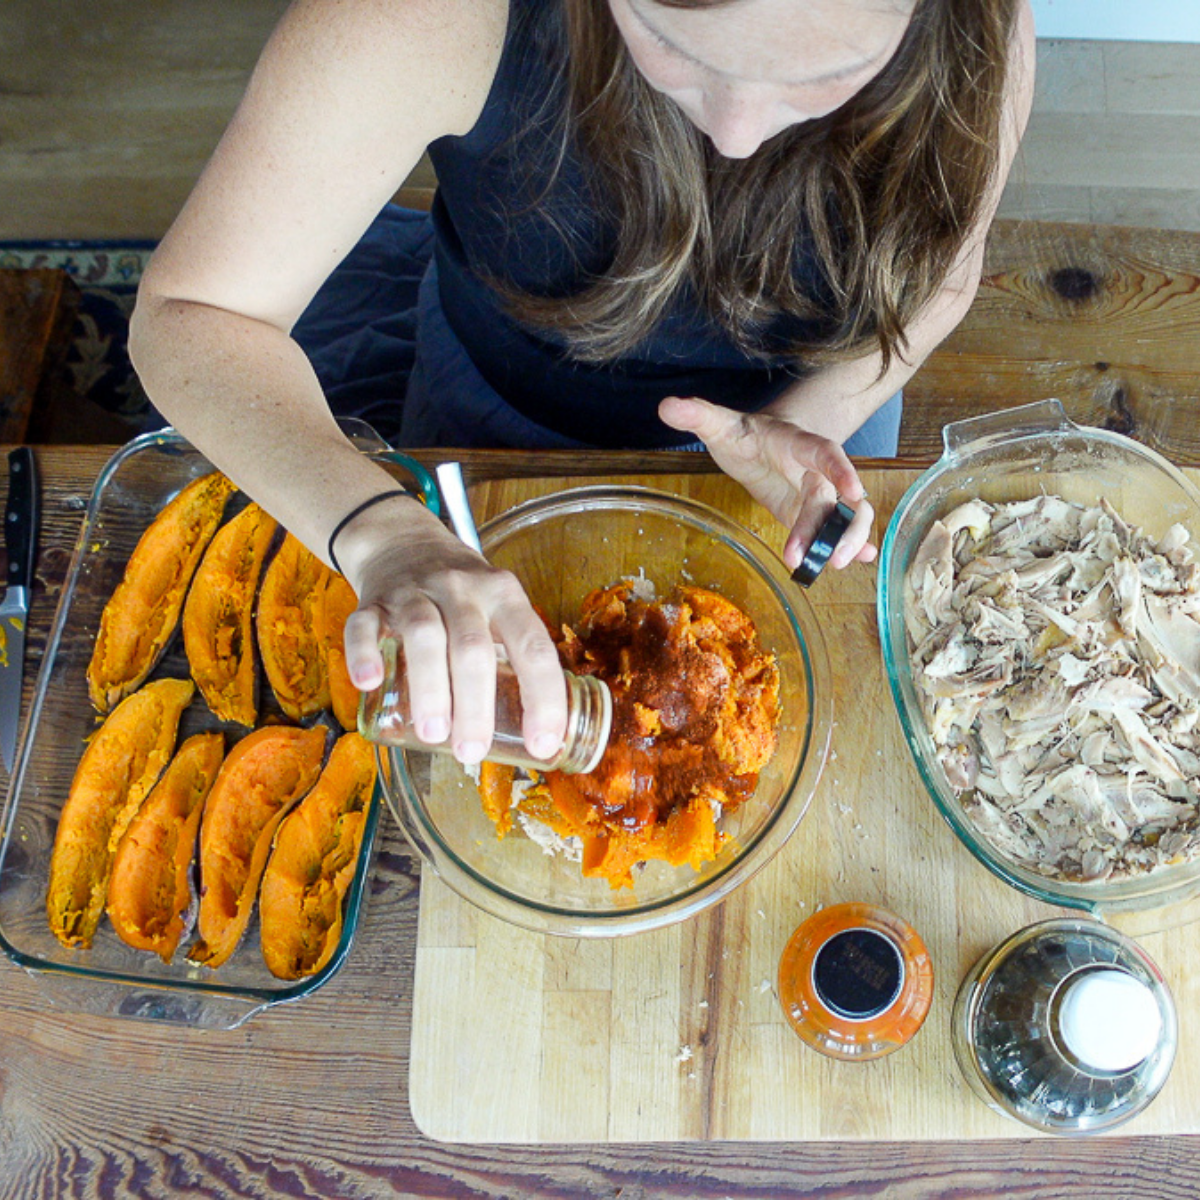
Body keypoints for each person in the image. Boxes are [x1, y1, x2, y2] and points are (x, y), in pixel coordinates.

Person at [129, 0, 1035, 766]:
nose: (737, 132)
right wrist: (382, 535)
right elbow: (189, 314)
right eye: (670, 41)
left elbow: (943, 280)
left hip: (811, 431)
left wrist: (815, 415)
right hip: (492, 409)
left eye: (827, 73)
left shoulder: (979, 29)